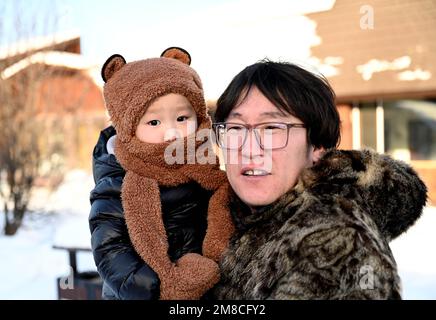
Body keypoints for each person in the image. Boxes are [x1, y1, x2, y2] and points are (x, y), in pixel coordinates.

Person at [211, 60, 427, 299]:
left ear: (318, 147)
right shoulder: (216, 220)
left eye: (271, 128)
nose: (249, 149)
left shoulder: (334, 244)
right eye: (235, 129)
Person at [89, 47, 233, 300]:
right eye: (154, 122)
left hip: (205, 285)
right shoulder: (117, 183)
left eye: (181, 118)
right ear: (128, 128)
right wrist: (155, 287)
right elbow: (109, 247)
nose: (172, 133)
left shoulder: (207, 172)